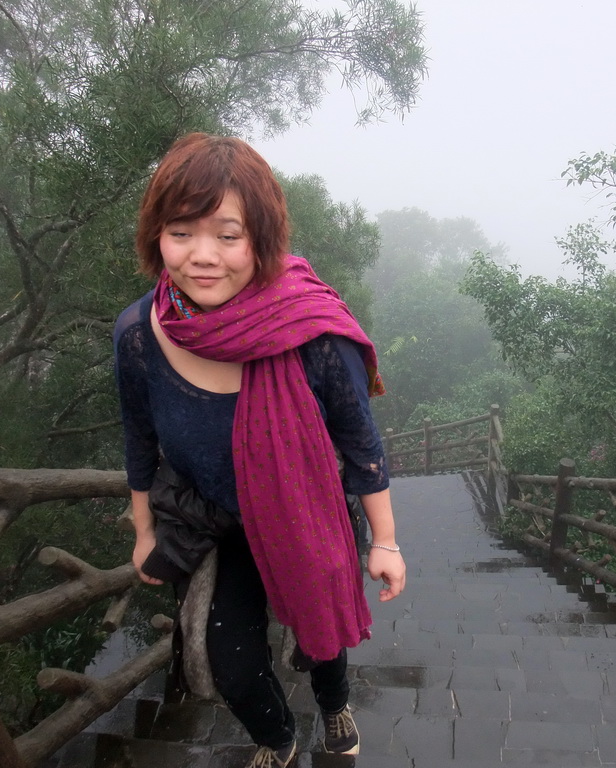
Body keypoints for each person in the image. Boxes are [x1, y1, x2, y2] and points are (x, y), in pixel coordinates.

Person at [113, 132, 405, 768]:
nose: (202, 256)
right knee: (232, 668)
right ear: (156, 236)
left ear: (262, 238)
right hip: (220, 522)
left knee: (322, 634)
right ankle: (278, 740)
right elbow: (139, 437)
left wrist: (383, 541)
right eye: (180, 232)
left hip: (306, 508)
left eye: (228, 234)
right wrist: (142, 531)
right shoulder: (140, 334)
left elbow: (361, 445)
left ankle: (333, 705)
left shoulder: (312, 334)